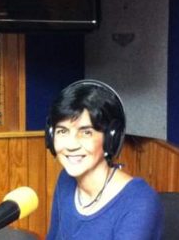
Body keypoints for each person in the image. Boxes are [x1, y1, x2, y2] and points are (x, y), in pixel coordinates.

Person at [45, 80, 164, 239]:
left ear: (110, 139)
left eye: (86, 132)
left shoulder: (140, 202)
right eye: (62, 131)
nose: (71, 145)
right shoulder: (65, 179)